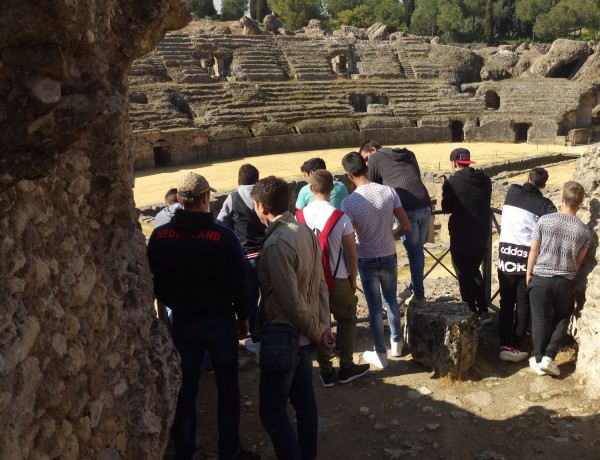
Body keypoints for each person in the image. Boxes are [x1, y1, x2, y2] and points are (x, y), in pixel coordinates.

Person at [147, 172, 257, 460]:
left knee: (186, 389)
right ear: (206, 198)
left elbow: (153, 280)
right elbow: (239, 281)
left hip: (183, 321)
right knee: (228, 388)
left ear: (179, 201)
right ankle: (229, 449)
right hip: (220, 320)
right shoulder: (223, 236)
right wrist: (244, 317)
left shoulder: (161, 236)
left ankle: (184, 451)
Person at [252, 176, 335, 460]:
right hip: (304, 336)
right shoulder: (303, 231)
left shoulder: (276, 243)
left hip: (287, 336)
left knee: (272, 412)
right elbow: (321, 284)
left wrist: (317, 330)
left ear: (261, 207)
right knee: (304, 403)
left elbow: (290, 301)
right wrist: (322, 327)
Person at [296, 169, 370, 387]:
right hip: (338, 278)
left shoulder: (299, 217)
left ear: (311, 188)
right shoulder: (341, 217)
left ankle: (326, 371)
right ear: (332, 188)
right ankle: (346, 367)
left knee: (319, 323)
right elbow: (351, 254)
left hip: (310, 282)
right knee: (347, 320)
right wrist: (353, 280)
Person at [341, 152, 411, 369]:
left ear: (348, 175)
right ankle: (397, 344)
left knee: (373, 307)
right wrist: (391, 236)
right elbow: (406, 226)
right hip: (389, 255)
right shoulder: (389, 192)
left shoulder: (349, 202)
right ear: (367, 168)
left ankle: (381, 354)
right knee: (391, 301)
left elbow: (350, 238)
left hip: (366, 259)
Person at [526, 181, 590, 377]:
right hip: (564, 280)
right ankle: (549, 356)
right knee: (563, 316)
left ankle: (537, 358)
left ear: (562, 199)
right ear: (580, 203)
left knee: (539, 319)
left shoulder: (545, 221)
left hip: (540, 277)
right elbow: (578, 263)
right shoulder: (584, 232)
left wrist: (529, 273)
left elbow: (534, 250)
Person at [360, 140, 432, 307]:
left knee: (414, 253)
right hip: (425, 203)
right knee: (418, 251)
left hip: (406, 206)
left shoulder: (375, 158)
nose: (366, 163)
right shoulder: (409, 153)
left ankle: (419, 297)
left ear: (372, 149)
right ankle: (414, 288)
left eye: (365, 158)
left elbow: (373, 188)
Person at [497, 167, 557, 362]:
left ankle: (503, 342)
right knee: (523, 303)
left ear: (527, 178)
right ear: (544, 185)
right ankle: (515, 344)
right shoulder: (545, 205)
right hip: (526, 259)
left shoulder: (512, 191)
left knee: (506, 302)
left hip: (505, 255)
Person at [217, 164, 267, 353]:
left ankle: (254, 338)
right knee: (270, 298)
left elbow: (221, 224)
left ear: (239, 181)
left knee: (250, 299)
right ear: (257, 180)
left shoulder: (233, 197)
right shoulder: (262, 197)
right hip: (267, 255)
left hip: (246, 258)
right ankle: (267, 334)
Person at [441, 148, 492, 324]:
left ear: (454, 163)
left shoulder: (452, 183)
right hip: (481, 235)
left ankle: (471, 315)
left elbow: (446, 207)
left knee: (464, 277)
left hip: (461, 236)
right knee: (475, 272)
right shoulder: (485, 180)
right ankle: (484, 310)